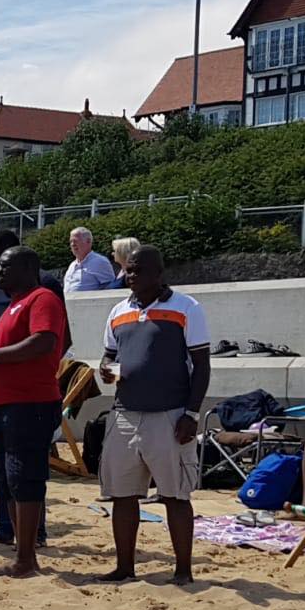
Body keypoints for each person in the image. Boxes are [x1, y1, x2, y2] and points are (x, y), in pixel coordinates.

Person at [96, 245, 211, 585]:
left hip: (170, 415)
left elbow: (202, 366)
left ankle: (183, 570)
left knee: (175, 495)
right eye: (128, 271)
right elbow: (109, 356)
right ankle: (124, 567)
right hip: (125, 414)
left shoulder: (186, 308)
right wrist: (106, 370)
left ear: (158, 274)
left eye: (138, 271)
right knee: (122, 495)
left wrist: (191, 413)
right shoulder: (118, 311)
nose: (130, 276)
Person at [0, 247, 67, 578]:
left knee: (25, 478)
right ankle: (21, 552)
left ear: (28, 268)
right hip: (2, 405)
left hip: (29, 404)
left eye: (6, 267)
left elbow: (44, 342)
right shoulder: (11, 306)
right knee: (6, 479)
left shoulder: (42, 298)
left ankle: (26, 557)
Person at [64, 226, 116, 293]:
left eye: (75, 241)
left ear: (88, 241)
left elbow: (111, 289)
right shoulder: (72, 265)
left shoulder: (100, 262)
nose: (72, 244)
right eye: (71, 241)